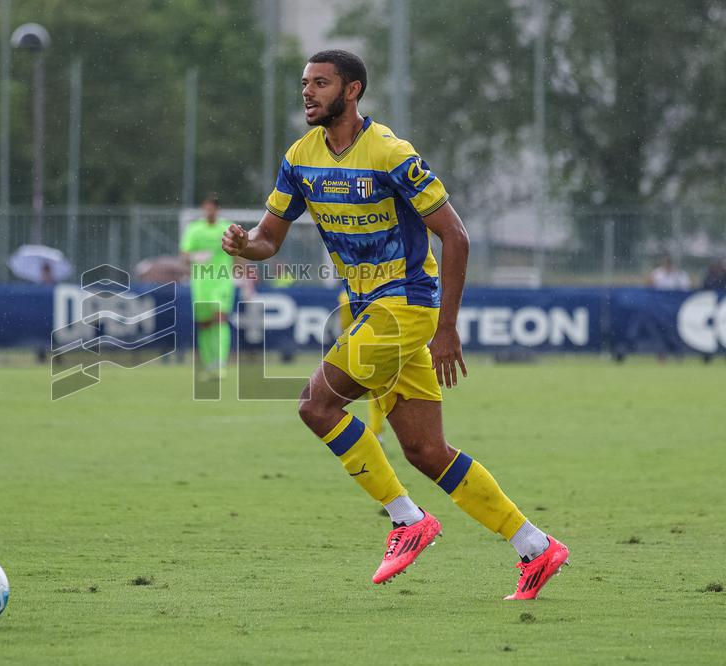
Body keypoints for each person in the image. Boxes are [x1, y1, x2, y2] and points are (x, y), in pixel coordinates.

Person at [222, 50, 568, 600]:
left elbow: (456, 236)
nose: (308, 93)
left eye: (321, 84)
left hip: (405, 304)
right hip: (368, 308)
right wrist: (245, 245)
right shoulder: (300, 156)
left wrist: (447, 328)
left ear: (352, 90)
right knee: (427, 452)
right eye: (304, 84)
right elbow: (269, 239)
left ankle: (407, 520)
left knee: (316, 405)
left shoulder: (390, 153)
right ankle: (536, 546)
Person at [180, 194, 235, 379]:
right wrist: (196, 257)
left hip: (222, 281)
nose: (209, 211)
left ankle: (221, 363)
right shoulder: (194, 229)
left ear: (217, 210)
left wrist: (245, 276)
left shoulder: (227, 228)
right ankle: (210, 364)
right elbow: (185, 255)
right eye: (206, 208)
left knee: (220, 318)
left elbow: (238, 253)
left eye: (212, 208)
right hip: (201, 283)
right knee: (204, 325)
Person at [338, 289, 386, 442]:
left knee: (334, 396)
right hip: (374, 346)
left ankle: (351, 435)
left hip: (355, 347)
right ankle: (374, 433)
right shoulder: (385, 293)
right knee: (375, 393)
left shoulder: (345, 297)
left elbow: (344, 326)